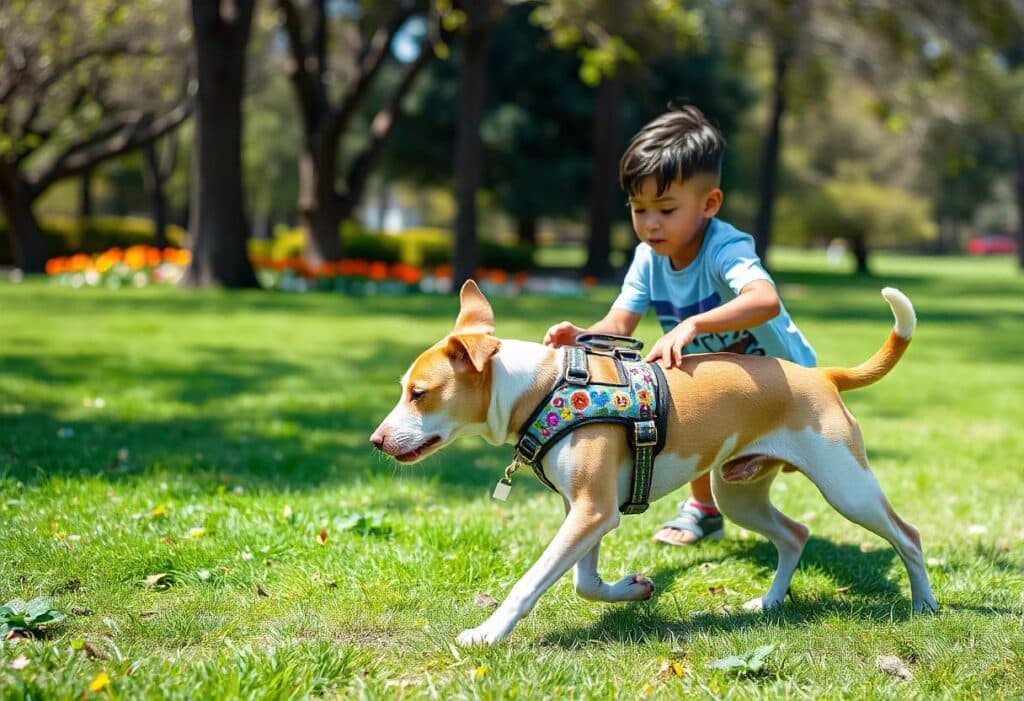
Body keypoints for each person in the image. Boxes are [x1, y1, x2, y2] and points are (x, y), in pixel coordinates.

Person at [543, 105, 816, 546]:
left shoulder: (725, 247)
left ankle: (763, 468)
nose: (651, 223)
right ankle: (705, 509)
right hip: (725, 387)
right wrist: (581, 337)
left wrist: (691, 324)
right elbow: (620, 322)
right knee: (680, 398)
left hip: (788, 384)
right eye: (639, 209)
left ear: (710, 203)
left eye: (666, 209)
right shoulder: (647, 259)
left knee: (808, 463)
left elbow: (764, 300)